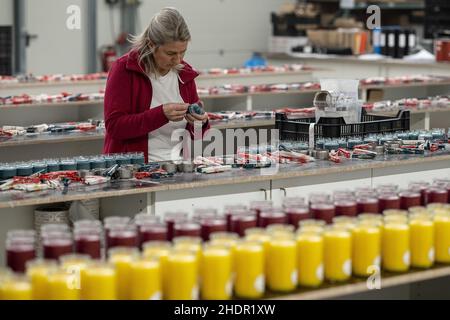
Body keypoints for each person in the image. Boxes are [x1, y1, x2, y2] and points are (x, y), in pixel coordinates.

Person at [103, 7, 209, 162]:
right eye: (170, 53)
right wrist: (161, 114)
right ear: (151, 44)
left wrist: (200, 123)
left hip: (176, 167)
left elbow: (196, 136)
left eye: (183, 52)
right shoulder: (124, 69)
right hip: (134, 168)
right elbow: (115, 127)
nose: (178, 60)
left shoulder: (184, 74)